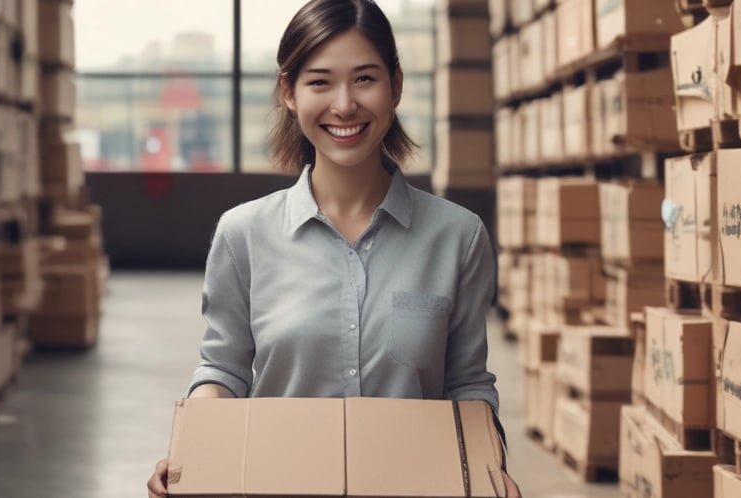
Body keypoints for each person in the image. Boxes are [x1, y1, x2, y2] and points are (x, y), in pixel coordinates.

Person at [148, 0, 521, 496]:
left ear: (397, 84)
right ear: (289, 91)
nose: (344, 105)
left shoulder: (457, 237)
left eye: (365, 79)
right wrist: (194, 454)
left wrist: (488, 467)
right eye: (320, 82)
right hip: (276, 486)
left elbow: (467, 385)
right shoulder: (243, 234)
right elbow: (223, 372)